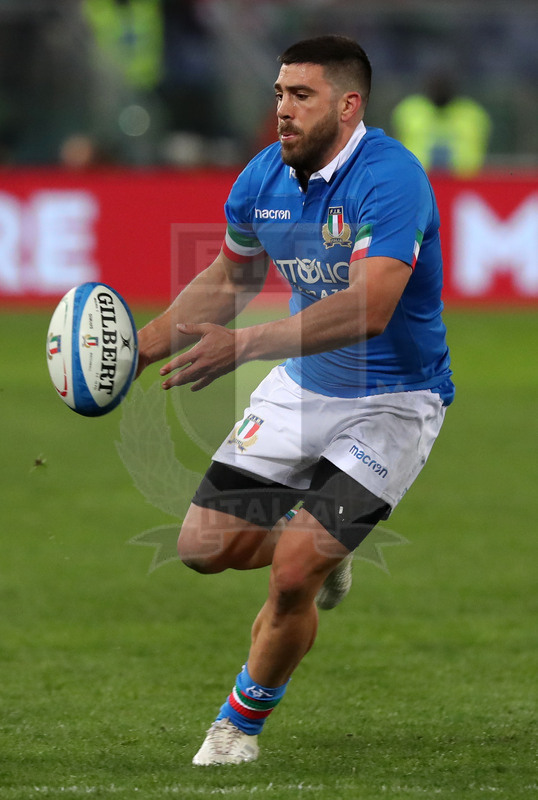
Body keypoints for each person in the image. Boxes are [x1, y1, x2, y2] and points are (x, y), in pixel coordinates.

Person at [136, 34, 454, 765]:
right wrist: (140, 348)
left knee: (289, 576)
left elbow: (369, 309)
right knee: (202, 549)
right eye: (279, 93)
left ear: (348, 106)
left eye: (301, 96)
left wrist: (243, 346)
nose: (282, 109)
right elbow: (230, 278)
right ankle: (326, 549)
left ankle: (236, 727)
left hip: (394, 404)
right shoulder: (261, 179)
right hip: (304, 390)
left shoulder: (393, 178)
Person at [391, 71, 492, 176]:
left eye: (444, 87)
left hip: (463, 182)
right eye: (436, 87)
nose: (440, 91)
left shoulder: (472, 115)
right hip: (416, 179)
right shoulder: (409, 111)